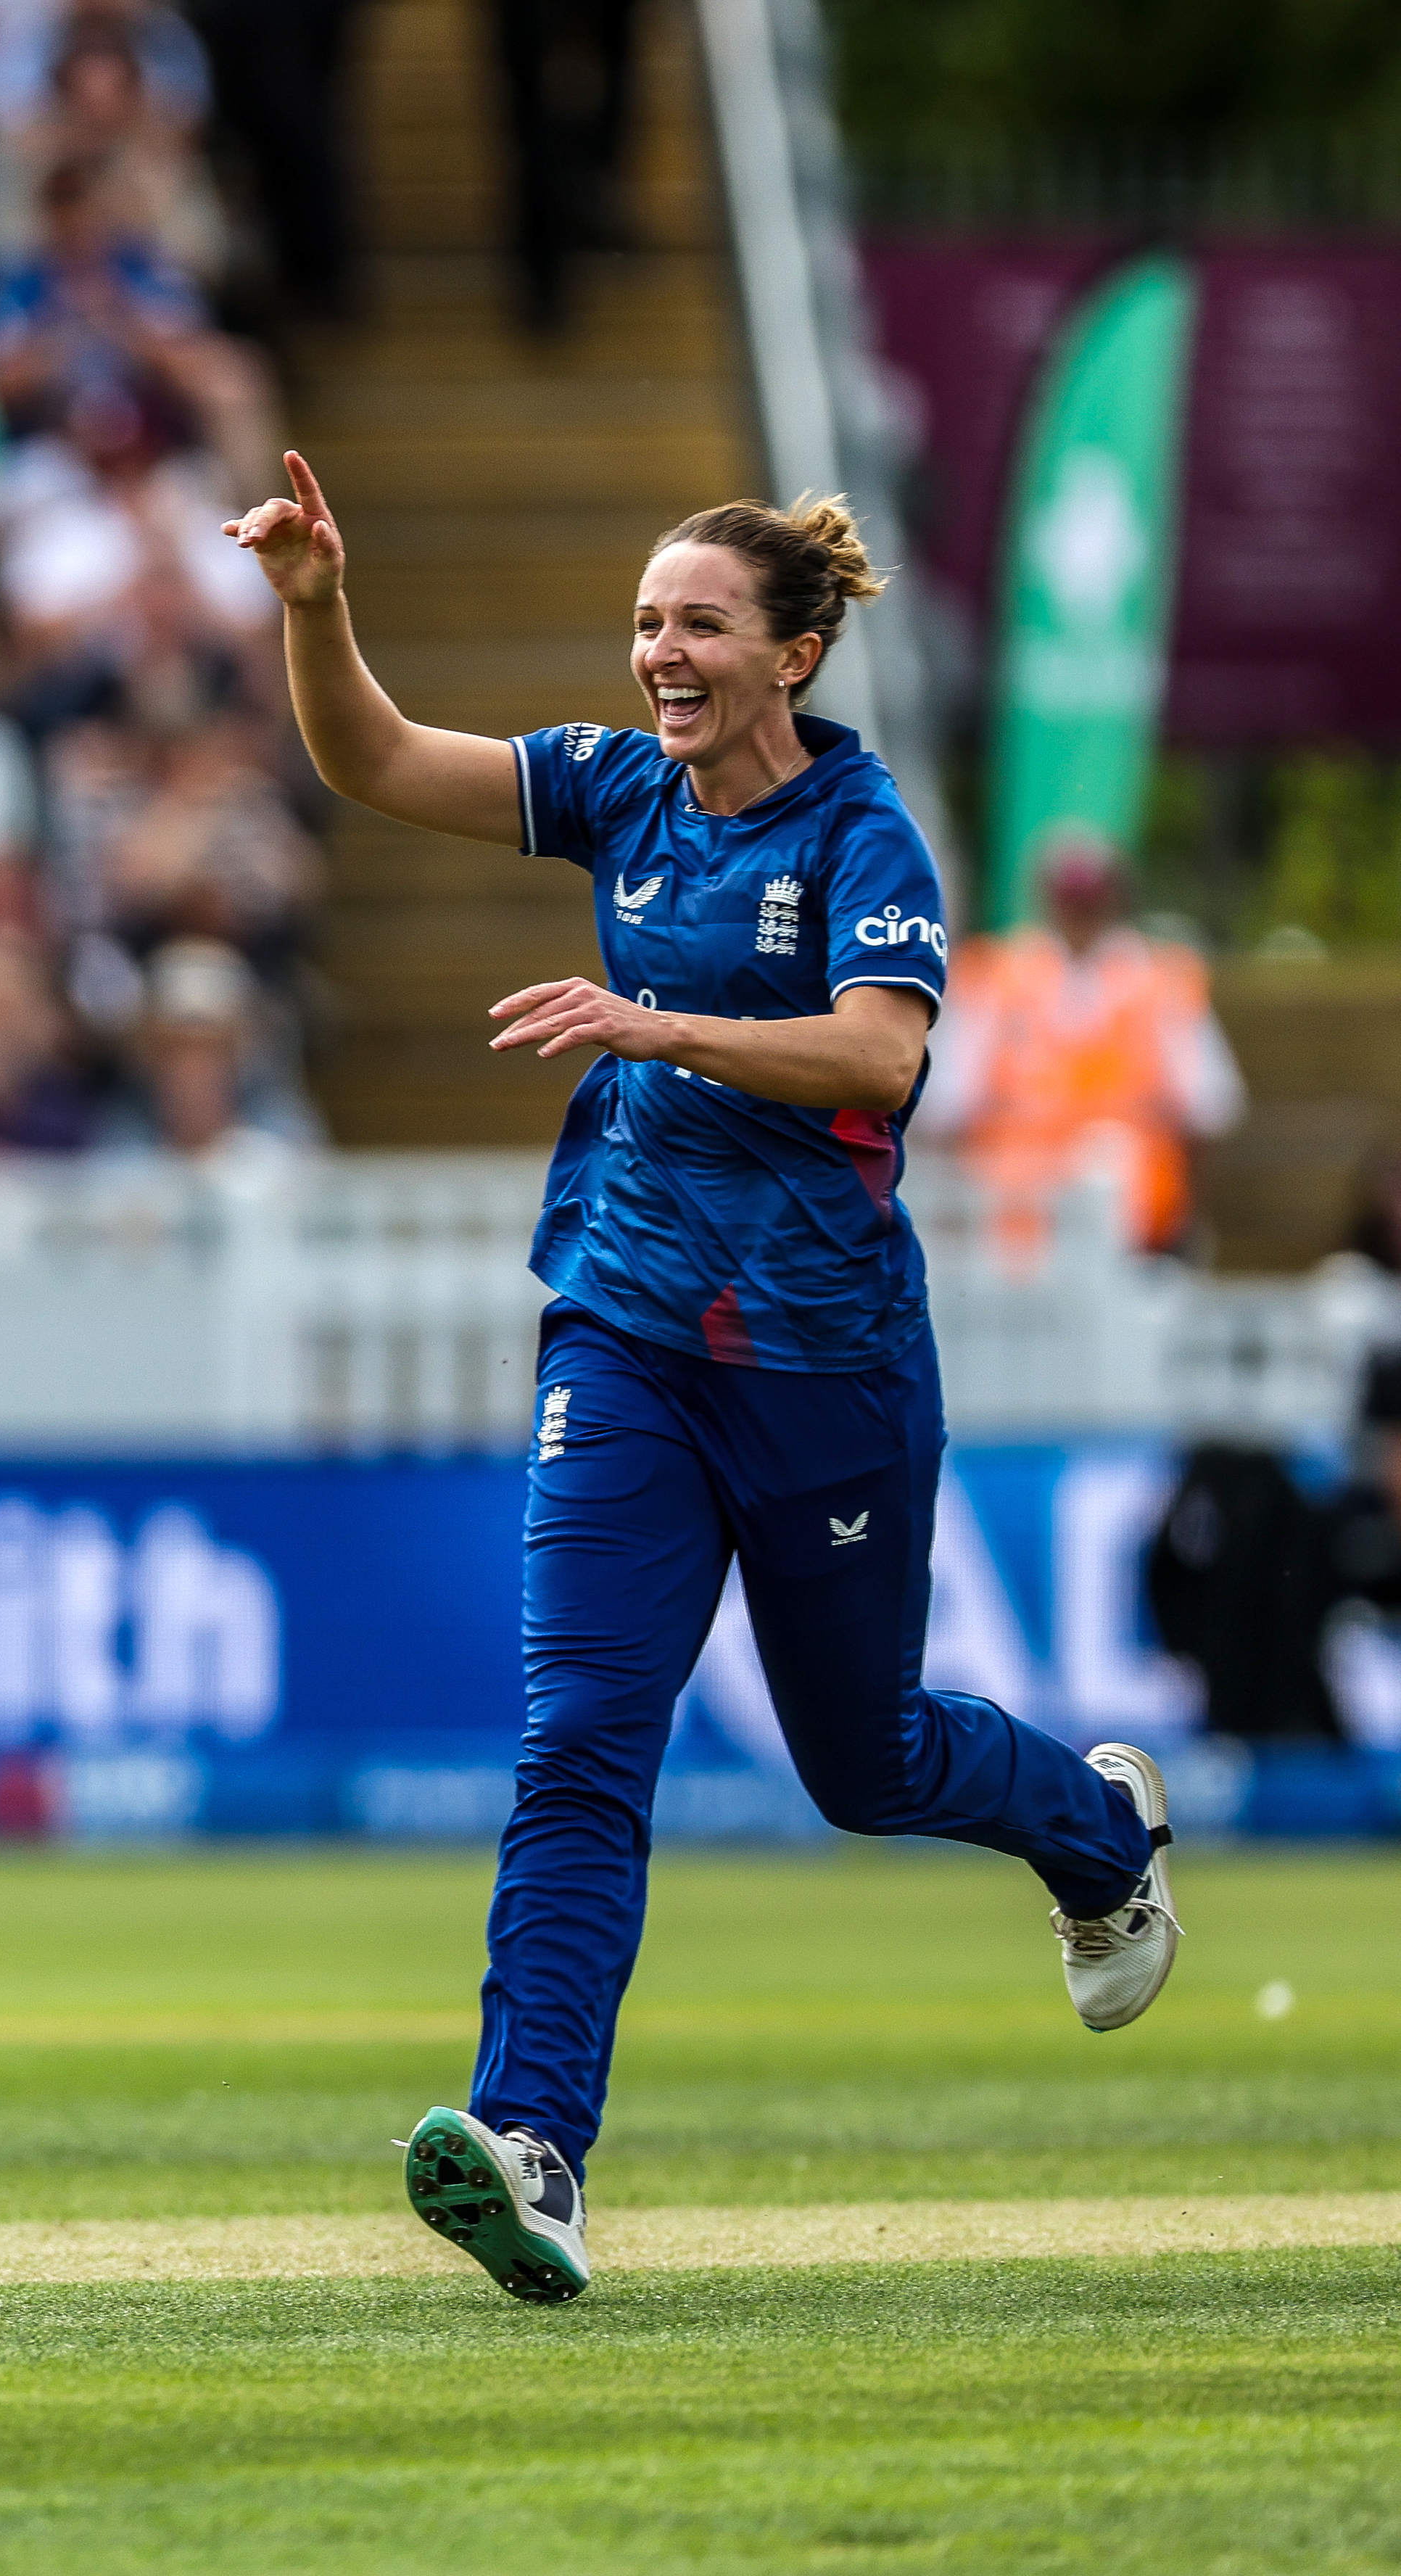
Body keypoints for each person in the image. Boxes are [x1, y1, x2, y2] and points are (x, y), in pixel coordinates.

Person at [226, 453, 1180, 2305]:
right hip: (627, 1328)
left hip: (825, 1363)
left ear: (795, 652)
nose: (662, 653)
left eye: (700, 624)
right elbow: (378, 762)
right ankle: (532, 2144)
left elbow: (879, 1065)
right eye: (649, 620)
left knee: (866, 1761)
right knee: (581, 1741)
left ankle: (1101, 1831)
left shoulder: (861, 835)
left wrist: (654, 1022)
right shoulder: (613, 785)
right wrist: (316, 604)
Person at [929, 836, 1241, 1264]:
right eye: (1072, 897)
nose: (1080, 912)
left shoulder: (1165, 983)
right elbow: (945, 1111)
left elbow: (1209, 1111)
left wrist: (1184, 1225)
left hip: (1139, 1241)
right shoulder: (992, 980)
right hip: (1012, 1244)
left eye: (1089, 897)